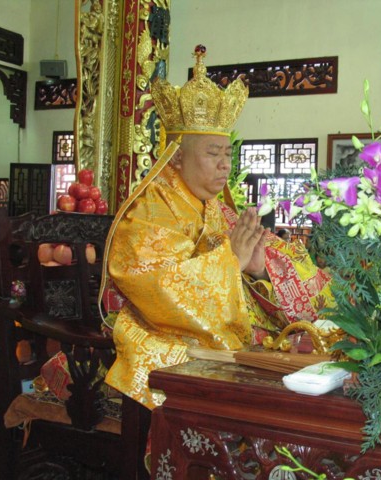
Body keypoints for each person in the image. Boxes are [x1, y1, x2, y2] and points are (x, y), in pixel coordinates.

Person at [102, 45, 333, 409]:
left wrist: (259, 269)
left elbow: (277, 263)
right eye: (213, 154)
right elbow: (158, 288)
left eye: (228, 154)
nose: (225, 165)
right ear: (176, 157)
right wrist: (230, 262)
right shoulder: (148, 213)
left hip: (223, 338)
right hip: (166, 336)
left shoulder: (218, 210)